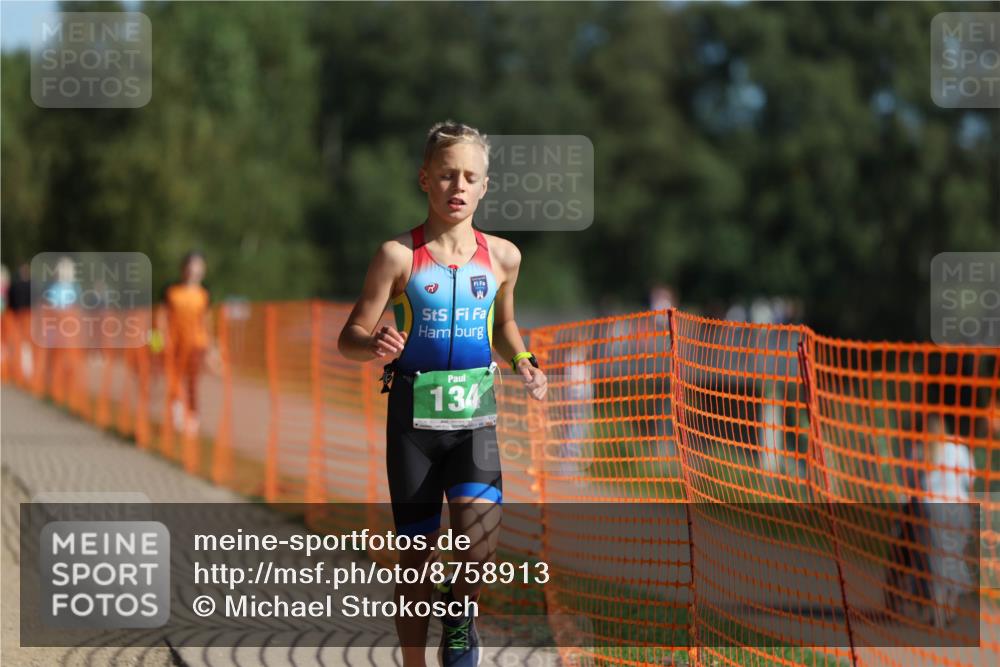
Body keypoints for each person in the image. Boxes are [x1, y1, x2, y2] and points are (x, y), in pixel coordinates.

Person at [338, 121, 547, 667]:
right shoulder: (397, 255)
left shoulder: (503, 257)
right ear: (425, 179)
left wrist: (523, 360)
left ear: (484, 187)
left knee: (480, 548)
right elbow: (350, 337)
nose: (458, 185)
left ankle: (461, 618)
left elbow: (503, 327)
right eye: (447, 174)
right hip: (413, 425)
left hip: (475, 421)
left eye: (470, 176)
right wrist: (375, 343)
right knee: (416, 564)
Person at [159, 251, 216, 438]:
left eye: (198, 266)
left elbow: (207, 323)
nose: (193, 270)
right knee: (174, 380)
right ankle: (176, 413)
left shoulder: (204, 295)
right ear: (184, 269)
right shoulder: (171, 292)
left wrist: (211, 349)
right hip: (173, 344)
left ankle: (192, 417)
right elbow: (159, 319)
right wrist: (155, 344)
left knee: (192, 382)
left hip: (196, 345)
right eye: (191, 266)